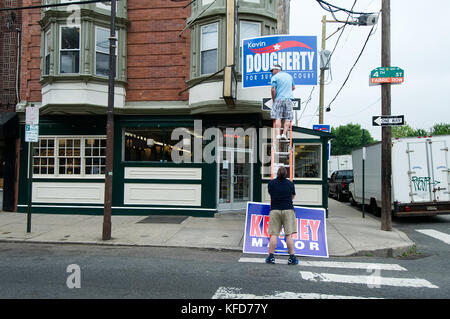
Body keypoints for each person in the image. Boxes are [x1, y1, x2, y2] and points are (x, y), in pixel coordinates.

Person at [266, 166, 299, 265]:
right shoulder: (290, 184)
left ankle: (271, 257)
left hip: (275, 210)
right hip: (288, 210)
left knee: (274, 234)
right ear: (286, 174)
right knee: (289, 235)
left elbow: (270, 193)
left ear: (277, 173)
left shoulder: (271, 183)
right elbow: (292, 196)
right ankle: (292, 258)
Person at [270, 64, 295, 140]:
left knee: (278, 117)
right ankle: (284, 134)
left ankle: (278, 134)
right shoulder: (289, 76)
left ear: (276, 69)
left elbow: (273, 89)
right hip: (289, 99)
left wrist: (274, 99)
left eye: (272, 70)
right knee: (288, 118)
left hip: (279, 99)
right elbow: (293, 87)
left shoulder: (275, 77)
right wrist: (287, 91)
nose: (272, 72)